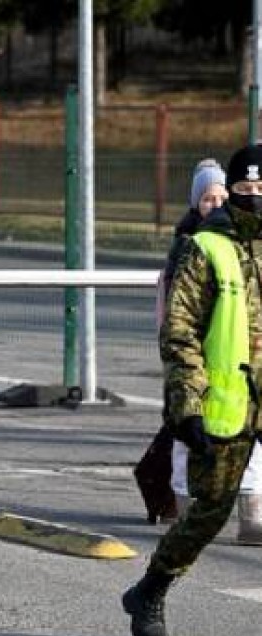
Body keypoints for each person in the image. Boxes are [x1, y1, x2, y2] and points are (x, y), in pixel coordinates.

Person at [122, 144, 262, 636]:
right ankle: (151, 590)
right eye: (245, 191)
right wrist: (188, 403)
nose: (254, 200)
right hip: (226, 405)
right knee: (208, 514)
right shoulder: (206, 247)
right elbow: (179, 332)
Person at [135, 160, 228, 526]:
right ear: (196, 204)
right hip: (190, 350)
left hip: (227, 350)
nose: (216, 205)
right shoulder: (185, 245)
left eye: (222, 196)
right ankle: (177, 499)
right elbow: (173, 305)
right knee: (184, 425)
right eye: (208, 199)